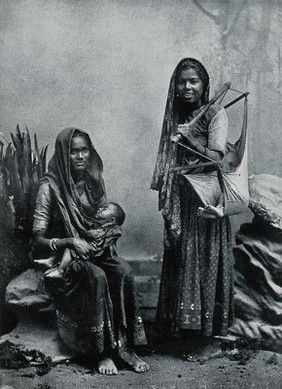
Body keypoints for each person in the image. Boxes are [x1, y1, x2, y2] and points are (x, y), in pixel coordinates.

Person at [32, 127, 149, 374]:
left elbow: (104, 221)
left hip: (95, 248)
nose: (81, 156)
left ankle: (125, 346)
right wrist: (69, 242)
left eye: (84, 150)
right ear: (64, 155)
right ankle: (101, 352)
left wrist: (104, 244)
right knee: (96, 277)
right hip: (65, 253)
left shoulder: (95, 182)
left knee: (123, 270)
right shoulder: (50, 187)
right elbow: (37, 240)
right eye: (74, 152)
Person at [151, 58, 234, 356]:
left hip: (206, 196)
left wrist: (188, 138)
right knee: (181, 259)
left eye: (193, 81)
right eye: (182, 81)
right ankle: (179, 332)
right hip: (182, 197)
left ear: (203, 85)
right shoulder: (178, 114)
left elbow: (216, 159)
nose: (187, 87)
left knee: (202, 261)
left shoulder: (215, 113)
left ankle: (206, 339)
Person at [43, 202, 125, 279]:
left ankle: (60, 270)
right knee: (69, 243)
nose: (99, 209)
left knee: (70, 247)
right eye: (101, 207)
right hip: (93, 247)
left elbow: (97, 235)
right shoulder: (98, 224)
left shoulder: (114, 228)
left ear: (113, 220)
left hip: (94, 249)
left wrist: (86, 233)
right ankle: (52, 260)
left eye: (104, 209)